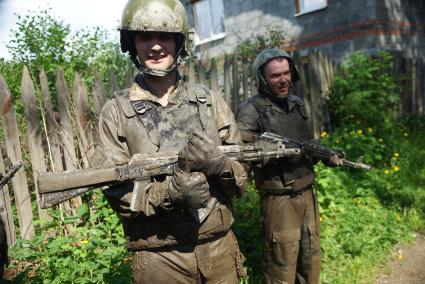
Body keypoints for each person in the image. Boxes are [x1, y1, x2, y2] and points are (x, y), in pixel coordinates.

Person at [94, 0, 248, 283]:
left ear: (179, 43)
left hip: (219, 250)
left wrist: (221, 165)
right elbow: (115, 190)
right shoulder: (117, 111)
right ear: (131, 43)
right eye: (145, 36)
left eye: (164, 36)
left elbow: (242, 176)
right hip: (160, 259)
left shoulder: (209, 102)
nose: (155, 45)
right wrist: (170, 195)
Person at [236, 48, 342, 284]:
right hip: (280, 199)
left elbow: (305, 145)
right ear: (263, 79)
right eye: (275, 76)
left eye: (286, 73)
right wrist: (275, 152)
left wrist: (325, 155)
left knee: (311, 258)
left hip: (307, 194)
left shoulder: (297, 104)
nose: (283, 80)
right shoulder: (251, 110)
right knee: (281, 266)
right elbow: (242, 152)